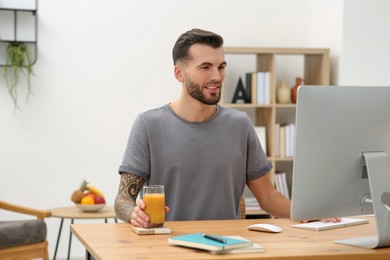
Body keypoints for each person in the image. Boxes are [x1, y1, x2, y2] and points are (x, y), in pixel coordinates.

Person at [115, 28, 291, 228]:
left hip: (228, 248)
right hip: (167, 248)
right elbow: (122, 201)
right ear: (179, 74)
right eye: (205, 67)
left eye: (221, 67)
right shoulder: (148, 125)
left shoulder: (240, 124)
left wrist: (311, 215)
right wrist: (134, 214)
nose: (216, 76)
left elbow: (268, 197)